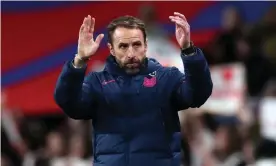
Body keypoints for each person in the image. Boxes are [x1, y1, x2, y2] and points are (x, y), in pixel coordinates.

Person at [54, 12, 213, 166]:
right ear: (111, 49)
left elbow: (197, 96)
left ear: (146, 46)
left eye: (136, 45)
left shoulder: (167, 78)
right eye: (123, 46)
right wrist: (79, 60)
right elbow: (70, 105)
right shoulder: (97, 82)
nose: (131, 53)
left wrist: (189, 51)